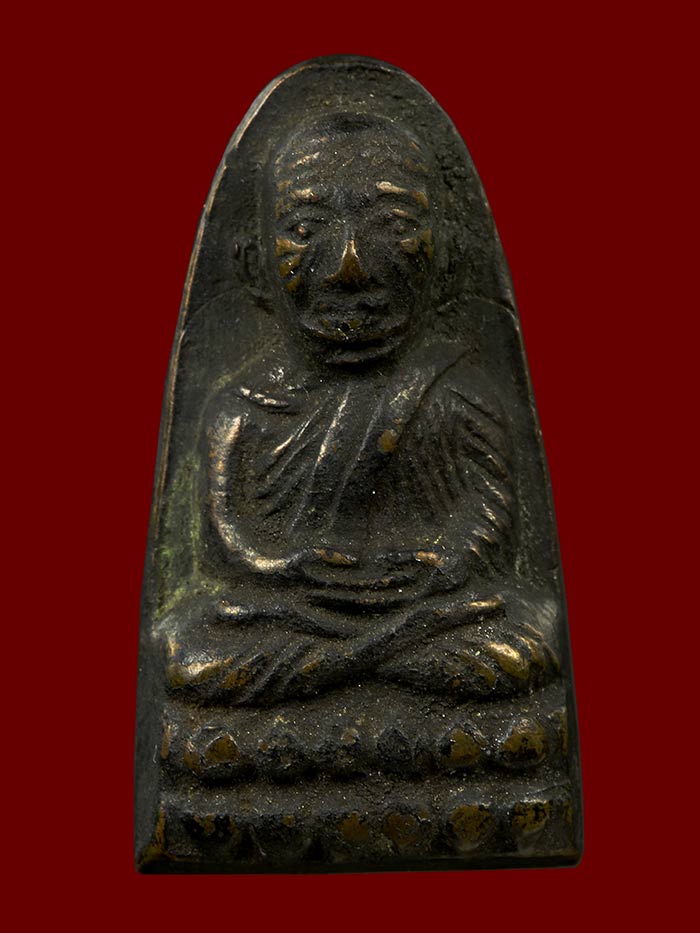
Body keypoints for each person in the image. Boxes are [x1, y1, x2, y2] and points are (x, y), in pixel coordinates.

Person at [160, 113, 559, 705]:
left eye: (393, 226)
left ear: (448, 257)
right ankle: (371, 657)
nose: (349, 266)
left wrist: (441, 564)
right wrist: (288, 566)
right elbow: (229, 545)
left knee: (527, 636)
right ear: (251, 261)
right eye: (305, 229)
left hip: (426, 605)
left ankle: (348, 663)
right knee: (188, 648)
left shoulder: (454, 393)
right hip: (297, 611)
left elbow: (489, 517)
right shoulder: (241, 409)